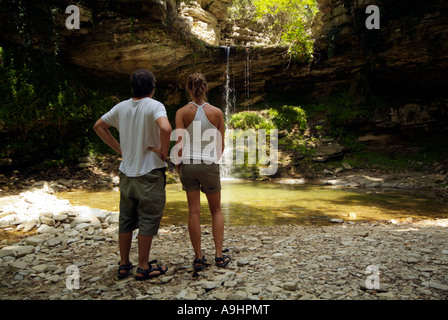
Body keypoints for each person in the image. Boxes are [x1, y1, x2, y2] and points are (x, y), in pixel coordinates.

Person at [93, 69, 172, 280]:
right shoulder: (155, 106)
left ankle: (124, 264)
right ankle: (144, 266)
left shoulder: (121, 107)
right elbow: (166, 128)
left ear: (133, 88)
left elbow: (99, 127)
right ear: (152, 88)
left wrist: (119, 149)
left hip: (126, 174)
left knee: (126, 220)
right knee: (148, 219)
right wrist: (164, 152)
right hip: (150, 173)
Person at [174, 72, 231, 271]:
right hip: (208, 163)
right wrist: (212, 163)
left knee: (194, 212)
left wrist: (178, 166)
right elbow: (221, 145)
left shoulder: (182, 112)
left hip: (188, 164)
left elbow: (179, 144)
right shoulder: (217, 112)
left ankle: (198, 257)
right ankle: (218, 256)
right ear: (205, 88)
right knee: (216, 210)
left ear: (189, 89)